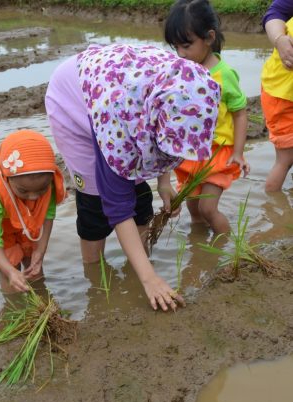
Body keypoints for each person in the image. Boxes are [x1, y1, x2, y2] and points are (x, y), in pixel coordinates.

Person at [45, 43, 220, 312]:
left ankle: (138, 261)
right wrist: (149, 280)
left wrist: (164, 183)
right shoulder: (116, 116)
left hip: (125, 92)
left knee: (138, 190)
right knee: (95, 201)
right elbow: (116, 206)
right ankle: (94, 274)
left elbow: (167, 137)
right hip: (75, 98)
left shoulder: (190, 85)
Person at [164, 0, 250, 234]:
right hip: (190, 154)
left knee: (208, 209)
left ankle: (227, 249)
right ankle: (199, 252)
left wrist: (238, 152)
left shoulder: (224, 75)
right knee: (193, 209)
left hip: (218, 152)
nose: (181, 54)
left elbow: (240, 113)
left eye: (186, 46)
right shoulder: (183, 71)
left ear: (209, 38)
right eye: (176, 47)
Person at [0, 130, 66, 294]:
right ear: (6, 178)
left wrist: (40, 250)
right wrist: (11, 272)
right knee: (10, 261)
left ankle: (41, 297)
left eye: (41, 190)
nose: (33, 198)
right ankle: (14, 307)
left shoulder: (47, 183)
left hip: (10, 198)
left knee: (31, 256)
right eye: (24, 191)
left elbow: (48, 214)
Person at [261, 0, 293, 192]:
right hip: (282, 95)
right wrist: (280, 39)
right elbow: (276, 12)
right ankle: (273, 207)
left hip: (282, 90)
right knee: (286, 159)